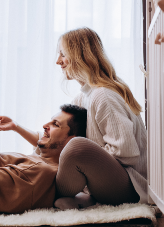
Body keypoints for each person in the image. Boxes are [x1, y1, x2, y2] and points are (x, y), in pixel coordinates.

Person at [53, 27, 148, 209]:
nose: (58, 61)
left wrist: (86, 158)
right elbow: (55, 131)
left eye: (63, 54)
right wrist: (15, 127)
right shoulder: (85, 96)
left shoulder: (103, 95)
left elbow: (126, 152)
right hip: (113, 182)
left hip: (131, 187)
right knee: (58, 145)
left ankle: (37, 193)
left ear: (80, 56)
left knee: (76, 146)